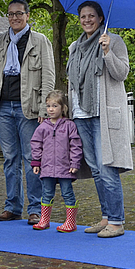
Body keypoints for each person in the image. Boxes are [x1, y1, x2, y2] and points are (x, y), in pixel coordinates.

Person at [0, 0, 55, 225]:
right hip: (3, 105)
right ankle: (12, 207)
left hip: (28, 107)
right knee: (10, 159)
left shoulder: (40, 41)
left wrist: (45, 108)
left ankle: (36, 209)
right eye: (11, 14)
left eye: (19, 14)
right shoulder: (1, 39)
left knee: (31, 159)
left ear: (28, 15)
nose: (15, 18)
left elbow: (48, 76)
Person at [67, 0, 133, 238]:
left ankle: (117, 221)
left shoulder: (113, 41)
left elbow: (121, 73)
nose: (87, 20)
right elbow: (72, 82)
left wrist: (106, 52)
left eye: (92, 16)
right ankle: (106, 217)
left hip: (103, 115)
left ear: (101, 18)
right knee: (95, 169)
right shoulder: (75, 46)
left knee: (107, 168)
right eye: (83, 16)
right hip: (81, 114)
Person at [30, 90, 82, 232]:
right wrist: (36, 162)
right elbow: (36, 144)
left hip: (65, 167)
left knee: (67, 192)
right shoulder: (43, 127)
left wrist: (75, 163)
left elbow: (75, 145)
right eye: (48, 106)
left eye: (54, 106)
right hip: (47, 167)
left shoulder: (69, 126)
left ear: (63, 108)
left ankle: (71, 222)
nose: (51, 109)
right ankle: (44, 220)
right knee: (46, 192)